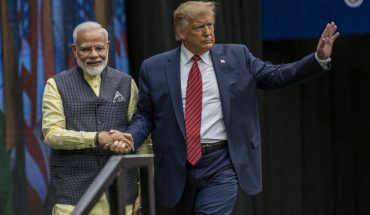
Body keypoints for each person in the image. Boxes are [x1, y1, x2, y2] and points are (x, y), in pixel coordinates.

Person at [122, 1, 339, 214]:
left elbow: (277, 75)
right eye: (200, 27)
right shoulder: (154, 67)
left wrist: (318, 58)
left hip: (221, 163)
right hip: (175, 165)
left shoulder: (237, 56)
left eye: (211, 25)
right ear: (181, 33)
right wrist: (131, 137)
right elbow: (145, 115)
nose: (208, 32)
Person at [42, 21, 147, 215]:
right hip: (73, 195)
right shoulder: (56, 84)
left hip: (123, 191)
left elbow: (141, 139)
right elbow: (52, 134)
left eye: (99, 48)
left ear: (107, 46)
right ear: (74, 50)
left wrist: (144, 191)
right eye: (85, 49)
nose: (93, 55)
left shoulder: (126, 82)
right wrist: (97, 138)